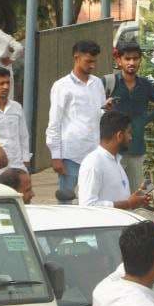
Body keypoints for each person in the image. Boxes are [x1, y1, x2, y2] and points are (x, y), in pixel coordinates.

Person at [46, 40, 106, 203]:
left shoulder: (97, 83)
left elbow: (100, 113)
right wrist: (56, 156)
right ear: (76, 57)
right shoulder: (61, 86)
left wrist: (106, 108)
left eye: (94, 61)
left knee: (93, 199)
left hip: (94, 152)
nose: (92, 65)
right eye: (88, 61)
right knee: (66, 200)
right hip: (71, 155)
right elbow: (54, 123)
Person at [105, 42, 154, 191]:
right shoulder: (108, 82)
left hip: (136, 149)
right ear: (119, 61)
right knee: (112, 192)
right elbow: (95, 107)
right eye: (127, 59)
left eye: (135, 58)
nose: (131, 62)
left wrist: (145, 119)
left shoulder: (145, 85)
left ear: (140, 60)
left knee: (134, 193)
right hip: (112, 150)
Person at [77, 112, 152, 209]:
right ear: (119, 135)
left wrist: (135, 200)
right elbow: (87, 206)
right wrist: (128, 204)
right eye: (129, 132)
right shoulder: (93, 163)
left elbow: (117, 199)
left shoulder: (115, 161)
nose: (131, 138)